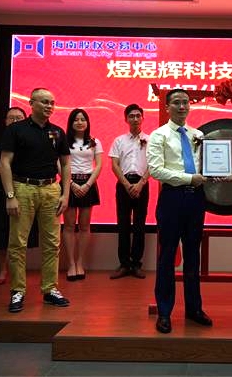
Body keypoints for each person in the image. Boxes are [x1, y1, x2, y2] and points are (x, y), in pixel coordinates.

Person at [0, 87, 71, 313]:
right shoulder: (16, 130)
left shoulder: (58, 132)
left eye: (52, 102)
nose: (49, 106)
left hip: (50, 189)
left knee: (52, 243)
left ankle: (50, 289)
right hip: (23, 188)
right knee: (17, 243)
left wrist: (65, 193)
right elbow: (5, 163)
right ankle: (17, 290)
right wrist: (10, 196)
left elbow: (66, 164)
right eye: (44, 102)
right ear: (31, 103)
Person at [146, 89, 212, 334]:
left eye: (185, 102)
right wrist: (189, 178)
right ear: (167, 107)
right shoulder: (159, 135)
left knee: (193, 256)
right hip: (172, 199)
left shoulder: (199, 135)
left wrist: (219, 171)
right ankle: (164, 312)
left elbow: (207, 165)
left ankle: (194, 309)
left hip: (196, 200)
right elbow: (156, 170)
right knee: (167, 257)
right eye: (176, 102)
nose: (182, 106)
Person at [0, 107, 39, 285]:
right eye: (11, 118)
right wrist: (10, 173)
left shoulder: (30, 141)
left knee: (21, 233)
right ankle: (2, 269)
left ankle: (18, 269)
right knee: (0, 231)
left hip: (25, 190)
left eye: (19, 118)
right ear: (5, 121)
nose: (15, 121)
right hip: (2, 193)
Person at [109, 104, 150, 280]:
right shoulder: (119, 140)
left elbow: (153, 164)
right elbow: (114, 165)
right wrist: (126, 184)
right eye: (131, 116)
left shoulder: (150, 140)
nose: (135, 119)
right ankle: (124, 264)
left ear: (142, 118)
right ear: (126, 119)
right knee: (123, 225)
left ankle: (136, 264)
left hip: (142, 184)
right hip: (123, 184)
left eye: (138, 115)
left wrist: (141, 184)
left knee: (140, 225)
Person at [62, 108, 102, 281]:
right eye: (76, 119)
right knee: (69, 226)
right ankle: (71, 264)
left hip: (88, 184)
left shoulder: (94, 141)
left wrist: (87, 185)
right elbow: (59, 164)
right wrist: (70, 183)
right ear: (71, 123)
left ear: (87, 122)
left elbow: (98, 165)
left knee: (85, 226)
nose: (79, 122)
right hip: (69, 183)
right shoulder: (64, 141)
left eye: (83, 119)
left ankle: (80, 263)